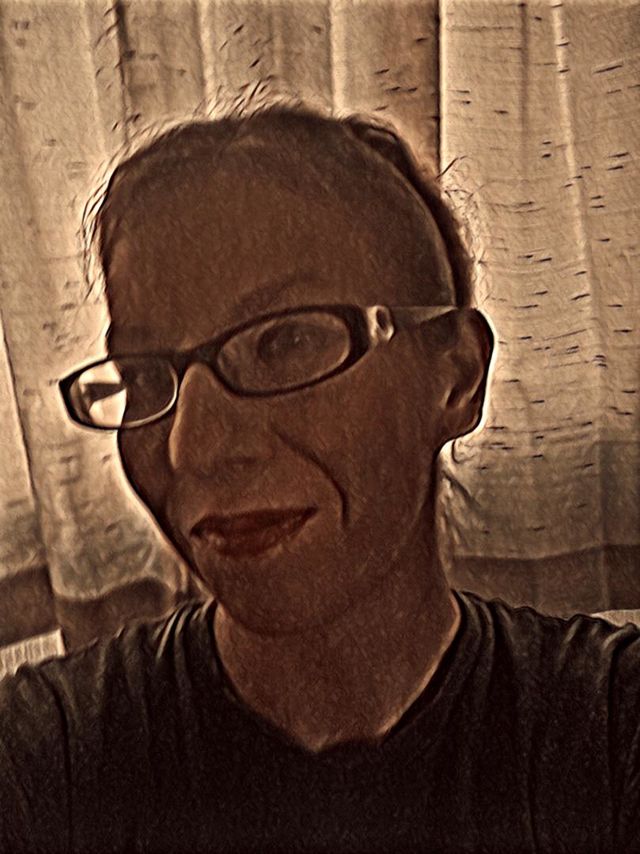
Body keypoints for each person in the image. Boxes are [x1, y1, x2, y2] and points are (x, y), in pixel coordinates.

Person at [1, 101, 639, 854]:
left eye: (285, 342)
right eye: (144, 376)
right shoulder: (47, 755)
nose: (190, 447)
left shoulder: (607, 730)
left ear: (457, 377)